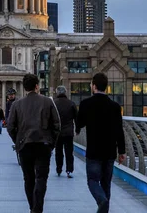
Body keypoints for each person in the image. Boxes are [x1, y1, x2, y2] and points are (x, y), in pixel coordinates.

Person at [7, 74, 60, 213]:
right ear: (37, 86)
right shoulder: (47, 102)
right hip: (43, 145)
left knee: (28, 178)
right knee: (41, 178)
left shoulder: (16, 104)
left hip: (25, 145)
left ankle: (33, 207)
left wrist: (18, 141)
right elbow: (57, 125)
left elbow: (10, 126)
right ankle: (38, 209)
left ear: (24, 88)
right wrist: (51, 142)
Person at [76, 73, 126, 213]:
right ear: (106, 87)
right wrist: (122, 151)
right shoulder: (115, 106)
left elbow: (80, 123)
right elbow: (119, 130)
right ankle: (104, 207)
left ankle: (101, 200)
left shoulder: (86, 104)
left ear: (94, 86)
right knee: (106, 184)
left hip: (93, 150)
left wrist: (78, 126)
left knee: (92, 180)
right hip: (110, 151)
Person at [53, 85, 78, 178]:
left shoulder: (54, 103)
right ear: (65, 92)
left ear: (57, 93)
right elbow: (76, 117)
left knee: (58, 151)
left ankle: (59, 169)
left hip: (57, 132)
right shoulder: (71, 103)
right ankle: (69, 170)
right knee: (69, 152)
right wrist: (77, 129)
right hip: (68, 132)